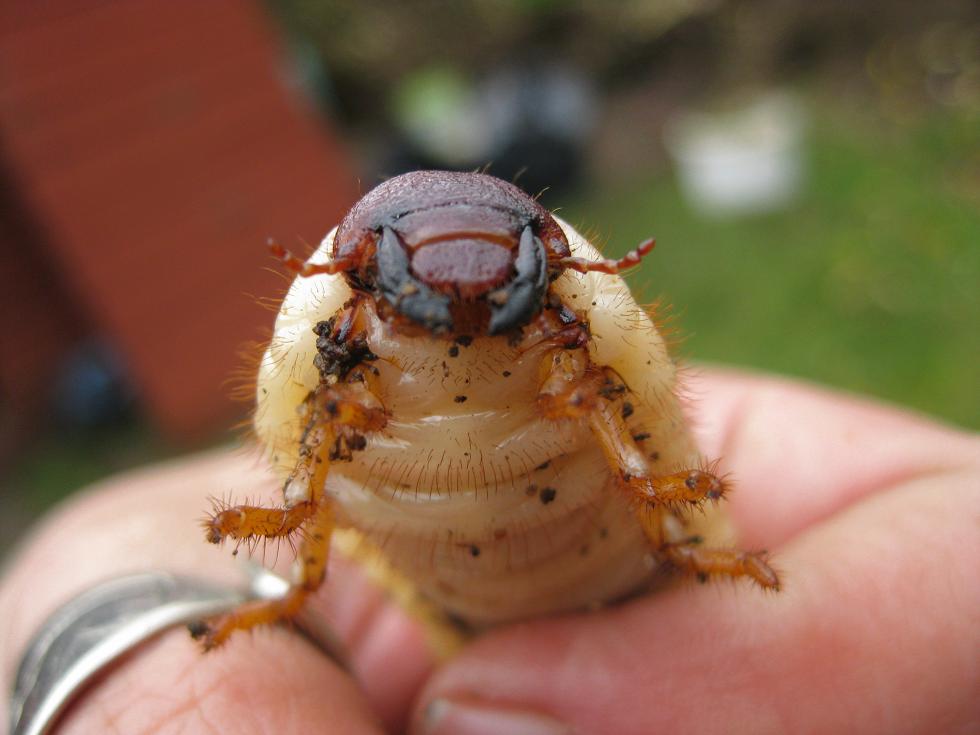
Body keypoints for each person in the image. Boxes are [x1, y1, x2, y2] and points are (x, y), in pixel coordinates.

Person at [1, 369, 977, 734]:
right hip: (441, 597)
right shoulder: (342, 381)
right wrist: (111, 652)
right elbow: (294, 473)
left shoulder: (579, 365)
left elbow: (655, 445)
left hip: (619, 559)